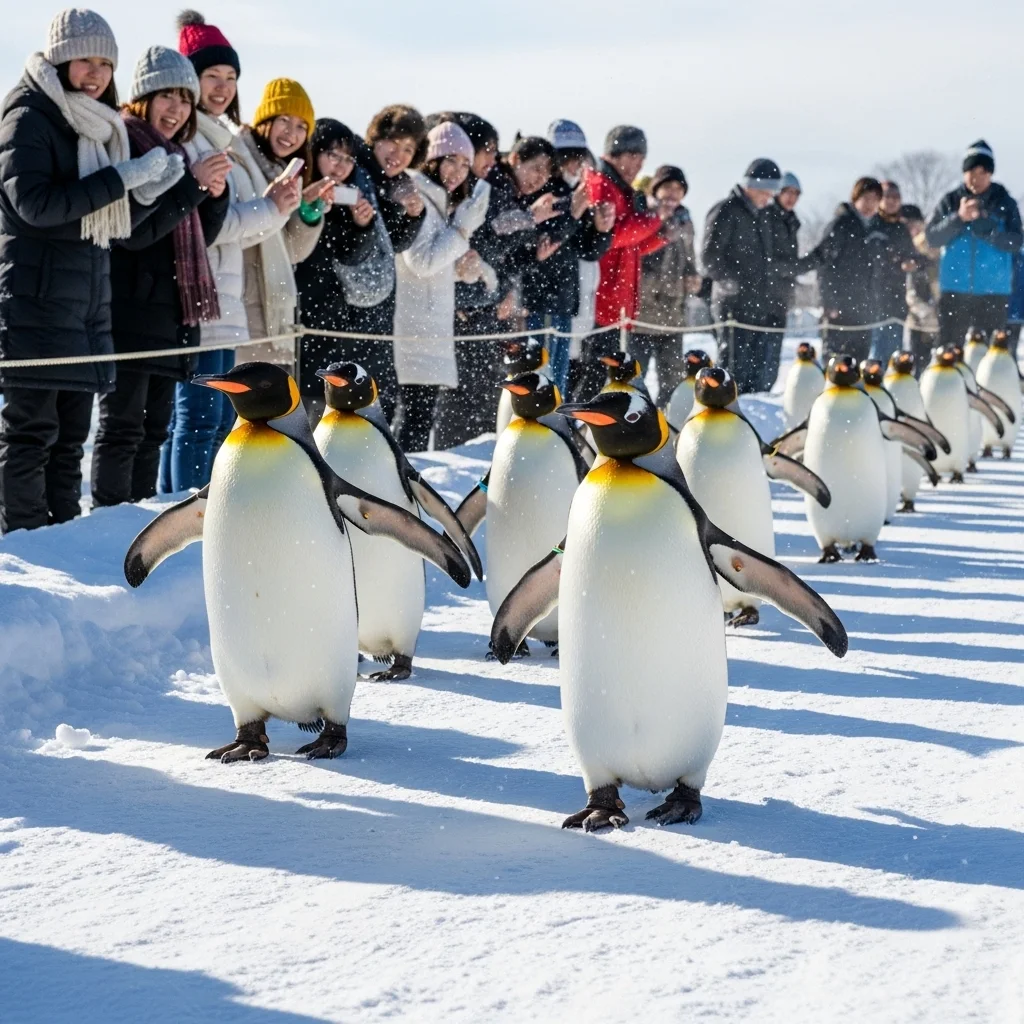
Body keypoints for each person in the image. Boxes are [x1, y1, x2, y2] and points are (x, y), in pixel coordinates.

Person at [0, 10, 182, 532]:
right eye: (86, 60)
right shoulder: (30, 115)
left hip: (81, 309)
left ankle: (64, 541)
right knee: (30, 435)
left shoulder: (96, 126)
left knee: (69, 440)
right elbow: (34, 205)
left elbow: (111, 228)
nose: (97, 74)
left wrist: (151, 192)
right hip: (34, 304)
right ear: (60, 59)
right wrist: (121, 179)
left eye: (106, 63)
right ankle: (28, 547)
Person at [161, 10, 301, 492]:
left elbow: (235, 223)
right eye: (210, 76)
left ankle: (196, 508)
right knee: (196, 422)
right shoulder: (193, 138)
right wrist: (272, 206)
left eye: (230, 77)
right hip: (200, 299)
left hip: (226, 297)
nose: (222, 87)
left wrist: (280, 207)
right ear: (187, 77)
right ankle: (183, 511)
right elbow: (209, 228)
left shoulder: (218, 134)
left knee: (218, 423)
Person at [91, 46, 230, 508]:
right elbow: (134, 232)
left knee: (153, 430)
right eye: (166, 96)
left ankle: (140, 523)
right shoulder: (128, 144)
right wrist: (192, 185)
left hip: (169, 318)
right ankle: (110, 522)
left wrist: (212, 196)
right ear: (142, 98)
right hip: (131, 314)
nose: (177, 109)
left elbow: (194, 237)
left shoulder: (174, 154)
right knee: (123, 428)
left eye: (185, 99)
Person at [391, 121, 489, 451]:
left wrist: (461, 269)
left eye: (465, 164)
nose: (458, 171)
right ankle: (406, 494)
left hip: (426, 328)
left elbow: (432, 265)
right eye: (451, 160)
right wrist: (461, 232)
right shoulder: (417, 194)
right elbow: (420, 262)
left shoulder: (438, 199)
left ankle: (410, 491)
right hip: (414, 329)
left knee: (419, 418)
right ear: (432, 159)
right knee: (413, 420)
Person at [237, 76, 334, 366]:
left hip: (270, 312)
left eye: (302, 127)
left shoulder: (284, 171)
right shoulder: (239, 159)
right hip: (243, 307)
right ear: (265, 119)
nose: (292, 134)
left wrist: (307, 213)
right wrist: (273, 206)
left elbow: (290, 251)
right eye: (284, 121)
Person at [294, 118, 380, 422]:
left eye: (348, 158)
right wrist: (310, 208)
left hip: (332, 317)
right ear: (313, 153)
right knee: (299, 406)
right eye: (333, 155)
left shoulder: (348, 196)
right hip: (298, 312)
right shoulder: (297, 189)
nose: (341, 165)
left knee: (325, 404)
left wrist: (363, 226)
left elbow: (350, 257)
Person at [574, 125, 668, 400]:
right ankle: (578, 435)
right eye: (634, 156)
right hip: (600, 301)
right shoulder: (602, 184)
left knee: (601, 381)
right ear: (616, 154)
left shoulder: (619, 187)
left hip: (613, 303)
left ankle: (585, 436)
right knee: (591, 381)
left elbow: (630, 247)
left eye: (641, 158)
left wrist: (659, 236)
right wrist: (653, 219)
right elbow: (612, 236)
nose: (639, 165)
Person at [350, 104, 428, 419]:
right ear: (376, 138)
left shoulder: (393, 184)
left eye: (409, 149)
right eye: (393, 142)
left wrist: (412, 216)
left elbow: (393, 244)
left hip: (378, 306)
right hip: (351, 307)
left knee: (376, 397)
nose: (399, 154)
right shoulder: (358, 172)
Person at [926, 140, 1023, 348]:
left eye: (982, 173)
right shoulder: (950, 200)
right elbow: (932, 238)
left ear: (990, 174)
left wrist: (988, 229)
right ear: (964, 172)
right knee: (949, 353)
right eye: (971, 172)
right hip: (953, 290)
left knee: (988, 357)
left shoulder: (1004, 202)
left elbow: (1016, 242)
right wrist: (958, 218)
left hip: (993, 293)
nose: (976, 178)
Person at [701, 158, 784, 393]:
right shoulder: (726, 210)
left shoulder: (764, 215)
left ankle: (751, 422)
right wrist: (735, 283)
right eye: (768, 191)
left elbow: (766, 260)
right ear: (754, 185)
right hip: (732, 306)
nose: (770, 197)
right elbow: (709, 258)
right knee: (733, 370)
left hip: (758, 304)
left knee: (756, 372)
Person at [799, 176, 889, 362]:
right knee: (837, 363)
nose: (870, 204)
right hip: (840, 308)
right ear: (855, 198)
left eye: (875, 199)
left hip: (864, 309)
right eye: (866, 198)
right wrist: (828, 301)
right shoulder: (842, 224)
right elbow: (824, 265)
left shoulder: (878, 229)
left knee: (860, 362)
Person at [632, 165, 700, 404]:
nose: (673, 193)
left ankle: (665, 425)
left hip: (672, 312)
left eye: (679, 189)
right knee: (634, 378)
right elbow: (633, 253)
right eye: (668, 187)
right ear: (656, 188)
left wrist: (692, 276)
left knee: (672, 380)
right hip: (640, 313)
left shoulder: (685, 219)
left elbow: (689, 257)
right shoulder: (642, 212)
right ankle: (637, 424)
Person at [870, 180, 918, 365]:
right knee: (875, 351)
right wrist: (893, 260)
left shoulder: (901, 228)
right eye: (887, 196)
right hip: (874, 297)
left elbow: (914, 255)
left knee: (894, 353)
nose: (892, 201)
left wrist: (911, 262)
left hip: (897, 298)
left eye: (896, 197)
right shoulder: (872, 224)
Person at [901, 203, 940, 371]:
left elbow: (938, 283)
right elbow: (909, 291)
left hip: (936, 315)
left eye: (915, 225)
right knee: (917, 363)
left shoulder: (935, 249)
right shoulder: (904, 251)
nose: (912, 230)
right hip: (916, 318)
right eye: (907, 226)